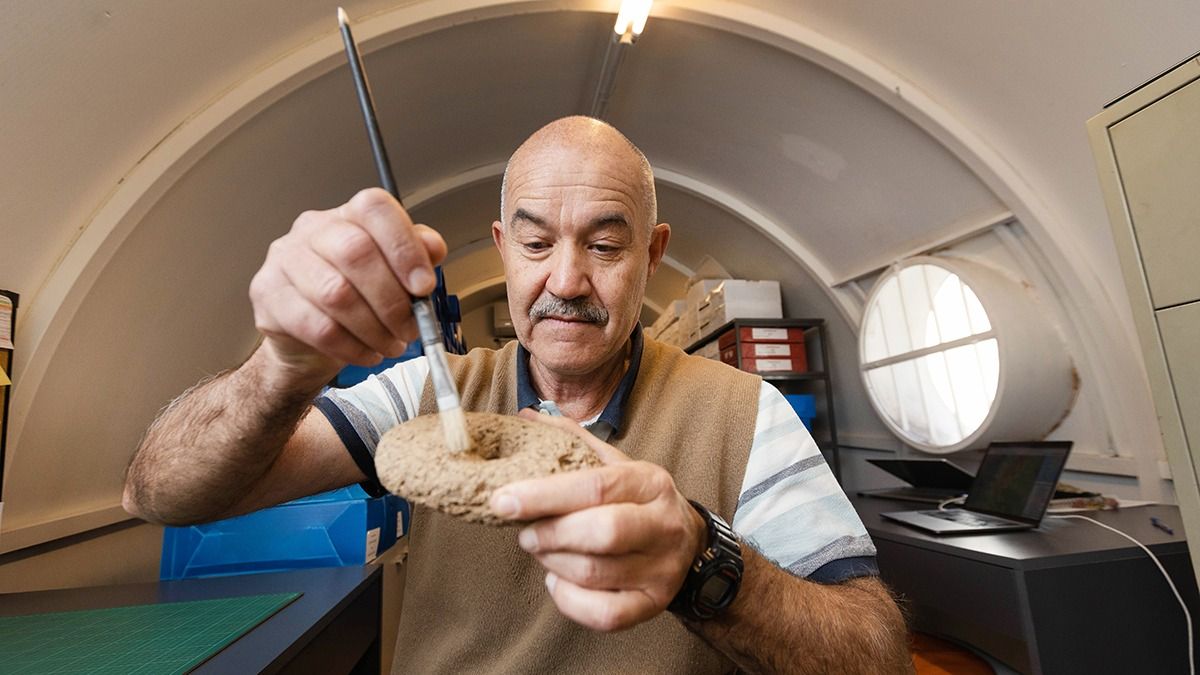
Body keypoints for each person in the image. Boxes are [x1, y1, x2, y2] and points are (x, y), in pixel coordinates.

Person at [124, 116, 910, 673]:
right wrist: (284, 368)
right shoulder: (432, 395)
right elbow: (160, 492)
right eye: (536, 243)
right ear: (502, 249)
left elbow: (876, 655)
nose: (565, 280)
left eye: (604, 244)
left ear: (651, 253)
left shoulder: (745, 413)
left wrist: (705, 567)